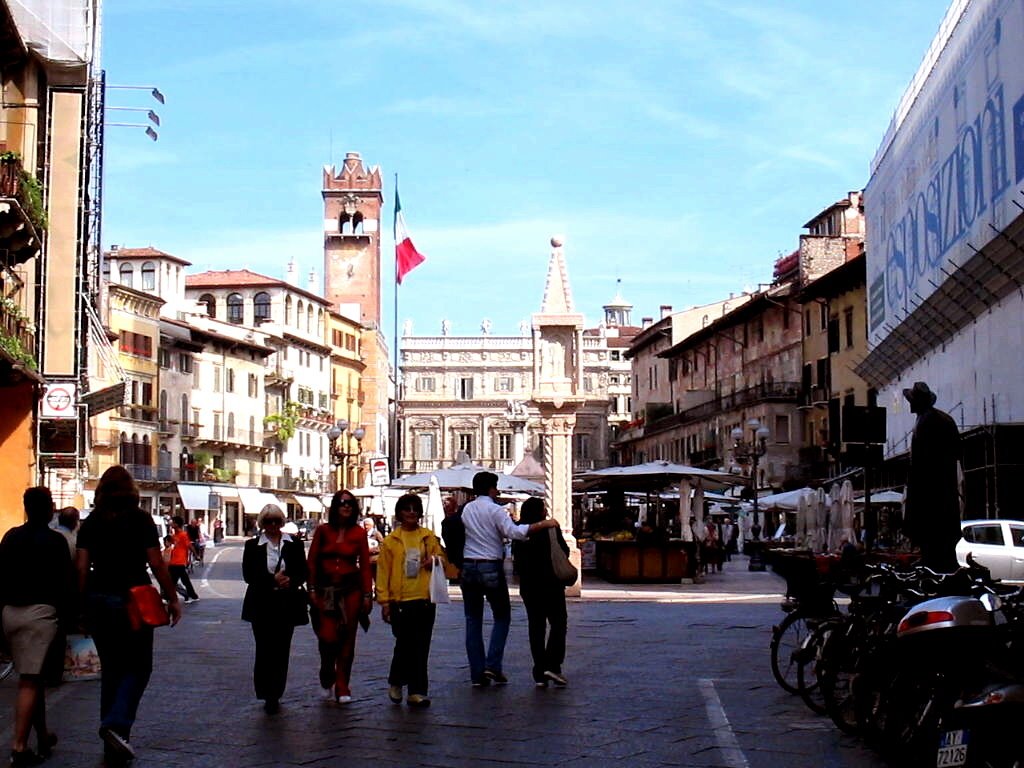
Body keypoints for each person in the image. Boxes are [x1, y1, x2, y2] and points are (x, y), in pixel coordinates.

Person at [76, 465, 182, 766]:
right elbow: (156, 563)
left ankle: (114, 740)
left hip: (98, 599)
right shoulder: (141, 520)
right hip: (132, 599)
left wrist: (81, 605)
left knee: (111, 670)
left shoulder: (92, 522)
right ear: (132, 492)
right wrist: (172, 598)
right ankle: (116, 724)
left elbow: (82, 567)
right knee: (139, 667)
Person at [459, 471, 557, 687]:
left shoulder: (467, 509)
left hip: (469, 565)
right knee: (502, 616)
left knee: (472, 620)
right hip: (490, 564)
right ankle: (492, 665)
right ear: (492, 488)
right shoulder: (495, 510)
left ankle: (477, 673)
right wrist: (543, 524)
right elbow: (514, 532)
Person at [0, 487, 75, 766]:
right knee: (30, 681)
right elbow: (66, 584)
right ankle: (19, 747)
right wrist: (72, 619)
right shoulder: (55, 542)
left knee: (34, 678)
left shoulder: (10, 537)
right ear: (48, 509)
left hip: (10, 614)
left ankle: (42, 736)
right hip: (40, 616)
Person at [376, 494, 447, 707]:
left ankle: (417, 691)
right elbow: (383, 572)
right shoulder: (391, 541)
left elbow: (443, 559)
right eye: (407, 509)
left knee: (421, 645)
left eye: (415, 509)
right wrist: (384, 601)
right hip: (400, 600)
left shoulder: (428, 537)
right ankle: (396, 681)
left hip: (424, 598)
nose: (411, 513)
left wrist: (433, 560)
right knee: (404, 644)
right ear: (399, 513)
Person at [242, 504, 309, 715]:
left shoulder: (294, 544)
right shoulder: (252, 546)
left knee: (282, 650)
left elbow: (303, 571)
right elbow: (248, 575)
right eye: (268, 521)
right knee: (264, 649)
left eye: (276, 521)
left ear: (282, 522)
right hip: (261, 604)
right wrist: (272, 580)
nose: (273, 525)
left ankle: (276, 693)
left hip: (286, 604)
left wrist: (291, 580)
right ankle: (265, 692)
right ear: (262, 523)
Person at [307, 489, 373, 704]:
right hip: (325, 591)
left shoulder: (359, 533)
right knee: (327, 637)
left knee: (347, 640)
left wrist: (367, 594)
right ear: (335, 507)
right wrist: (312, 589)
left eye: (350, 504)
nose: (346, 506)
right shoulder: (323, 531)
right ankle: (327, 673)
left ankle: (343, 684)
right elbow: (312, 561)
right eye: (343, 503)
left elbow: (364, 566)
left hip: (350, 591)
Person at [902, 381, 962, 572]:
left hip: (931, 497)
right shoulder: (943, 419)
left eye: (911, 400)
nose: (909, 404)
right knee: (941, 546)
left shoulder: (928, 422)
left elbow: (922, 465)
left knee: (935, 545)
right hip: (942, 496)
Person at [511, 498, 569, 688]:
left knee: (536, 627)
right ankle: (553, 664)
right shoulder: (550, 528)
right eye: (544, 508)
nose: (546, 511)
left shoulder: (519, 531)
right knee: (558, 622)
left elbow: (516, 559)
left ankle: (539, 672)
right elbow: (565, 551)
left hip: (529, 586)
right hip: (551, 583)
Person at [167, 516, 200, 603]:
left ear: (177, 524)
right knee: (183, 580)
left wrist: (196, 555)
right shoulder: (175, 535)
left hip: (179, 562)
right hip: (174, 561)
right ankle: (192, 595)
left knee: (172, 581)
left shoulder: (183, 535)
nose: (171, 524)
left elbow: (189, 546)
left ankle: (169, 597)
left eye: (173, 522)